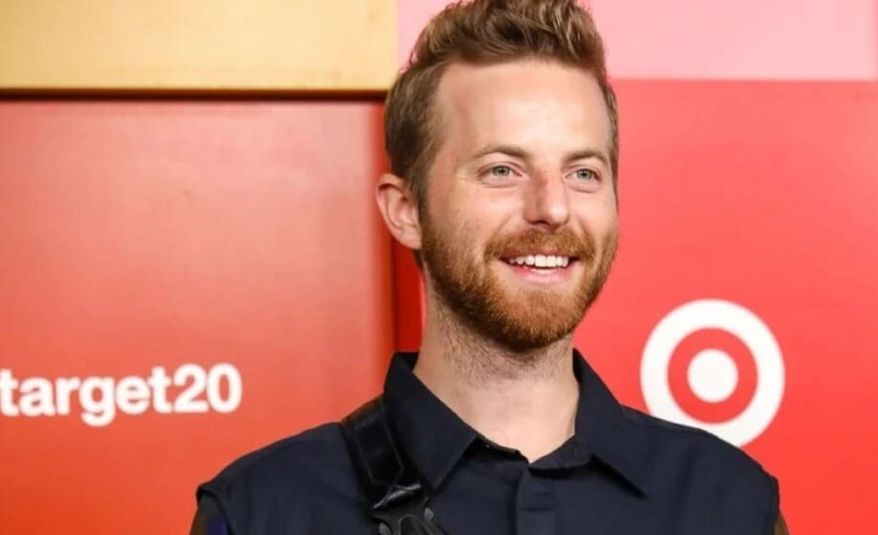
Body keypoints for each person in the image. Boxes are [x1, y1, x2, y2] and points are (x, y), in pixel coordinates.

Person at [191, 0, 789, 533]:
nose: (552, 208)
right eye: (503, 169)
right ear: (406, 211)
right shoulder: (260, 512)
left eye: (583, 173)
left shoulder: (729, 503)